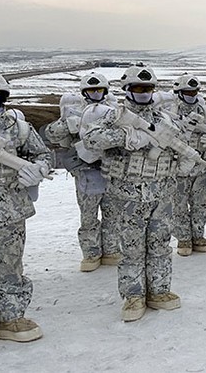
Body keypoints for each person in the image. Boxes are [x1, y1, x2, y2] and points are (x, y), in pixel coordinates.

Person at [81, 64, 184, 322]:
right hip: (127, 196)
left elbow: (180, 144)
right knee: (132, 247)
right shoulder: (115, 115)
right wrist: (128, 135)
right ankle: (134, 295)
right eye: (138, 88)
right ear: (127, 90)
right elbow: (91, 139)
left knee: (160, 244)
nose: (143, 92)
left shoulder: (164, 118)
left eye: (148, 88)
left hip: (162, 193)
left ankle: (159, 290)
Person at [0, 66, 51, 347]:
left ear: (3, 96)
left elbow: (42, 154)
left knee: (11, 266)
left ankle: (12, 318)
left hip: (10, 211)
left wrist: (38, 169)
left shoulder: (19, 128)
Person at [45, 72, 121, 271]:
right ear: (84, 92)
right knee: (88, 216)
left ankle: (111, 251)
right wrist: (69, 124)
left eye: (99, 90)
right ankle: (91, 254)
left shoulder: (114, 110)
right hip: (87, 171)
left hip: (112, 170)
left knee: (112, 214)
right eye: (91, 90)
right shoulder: (73, 111)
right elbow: (51, 134)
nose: (95, 93)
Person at [167, 74, 206, 255]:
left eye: (194, 91)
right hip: (177, 167)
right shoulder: (170, 111)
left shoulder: (204, 111)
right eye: (187, 91)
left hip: (199, 166)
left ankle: (198, 236)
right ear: (179, 92)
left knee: (201, 203)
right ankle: (183, 239)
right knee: (178, 205)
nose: (191, 94)